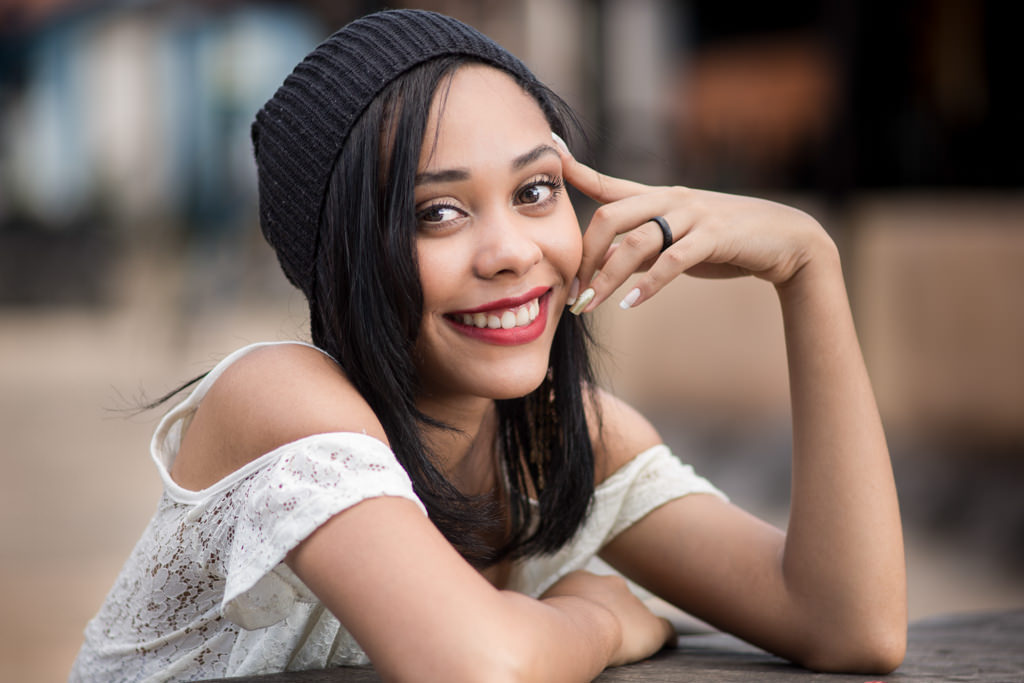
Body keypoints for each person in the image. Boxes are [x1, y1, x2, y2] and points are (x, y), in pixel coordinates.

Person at [69, 9, 906, 682]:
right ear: (346, 260)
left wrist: (808, 263)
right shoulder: (279, 398)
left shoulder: (560, 439)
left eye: (536, 190)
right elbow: (479, 664)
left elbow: (850, 623)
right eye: (438, 212)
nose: (510, 250)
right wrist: (601, 618)